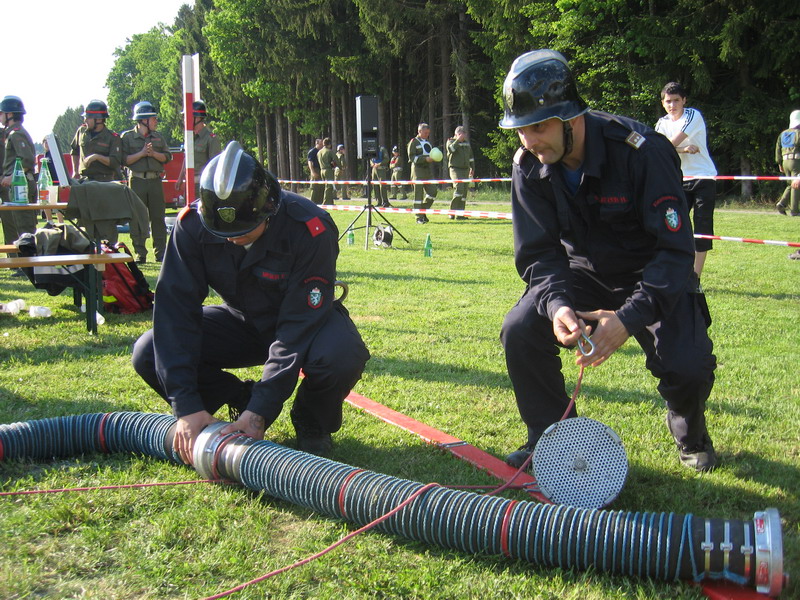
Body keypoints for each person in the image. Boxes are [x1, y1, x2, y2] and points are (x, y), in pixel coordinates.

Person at [498, 50, 717, 473]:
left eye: (538, 126)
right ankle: (552, 438)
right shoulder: (529, 165)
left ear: (571, 118)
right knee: (520, 329)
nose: (529, 140)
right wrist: (557, 305)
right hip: (582, 275)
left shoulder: (641, 151)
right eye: (521, 129)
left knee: (687, 365)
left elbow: (675, 252)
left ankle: (691, 435)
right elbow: (539, 254)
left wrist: (628, 319)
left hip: (651, 274)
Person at [132, 142, 370, 465]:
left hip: (304, 322)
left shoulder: (310, 228)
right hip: (242, 322)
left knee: (342, 355)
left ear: (269, 208)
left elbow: (296, 328)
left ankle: (311, 419)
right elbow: (175, 312)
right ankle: (237, 397)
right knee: (148, 350)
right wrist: (186, 406)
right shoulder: (192, 226)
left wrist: (261, 411)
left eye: (243, 230)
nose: (232, 238)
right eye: (223, 232)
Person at [655, 82, 717, 280]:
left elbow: (667, 144)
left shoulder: (693, 116)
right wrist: (683, 150)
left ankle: (695, 278)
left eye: (676, 100)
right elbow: (659, 148)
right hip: (678, 179)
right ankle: (675, 272)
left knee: (702, 228)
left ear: (684, 100)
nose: (672, 105)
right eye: (668, 101)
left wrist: (676, 148)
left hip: (703, 178)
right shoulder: (661, 123)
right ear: (663, 103)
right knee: (674, 226)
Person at [121, 101, 172, 263]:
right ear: (143, 120)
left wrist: (154, 154)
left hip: (155, 180)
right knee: (137, 218)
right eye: (153, 118)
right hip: (137, 181)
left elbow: (167, 157)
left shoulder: (158, 137)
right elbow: (123, 160)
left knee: (158, 218)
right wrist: (142, 153)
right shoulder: (127, 137)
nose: (156, 121)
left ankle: (161, 253)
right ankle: (140, 253)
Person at [0, 95, 37, 254]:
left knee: (24, 230)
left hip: (20, 187)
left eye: (1, 113)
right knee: (18, 228)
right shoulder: (12, 133)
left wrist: (11, 177)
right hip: (17, 187)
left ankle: (28, 264)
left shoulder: (16, 134)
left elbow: (27, 160)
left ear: (10, 114)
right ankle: (21, 262)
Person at [175, 100, 222, 200]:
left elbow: (215, 166)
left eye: (188, 117)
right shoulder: (190, 137)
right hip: (189, 185)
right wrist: (180, 178)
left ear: (198, 118)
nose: (185, 120)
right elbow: (187, 159)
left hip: (202, 185)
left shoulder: (211, 139)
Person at [70, 100, 123, 182]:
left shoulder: (112, 137)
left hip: (104, 181)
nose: (85, 120)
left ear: (99, 119)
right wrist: (75, 171)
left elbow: (115, 162)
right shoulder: (81, 131)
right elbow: (74, 151)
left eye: (88, 117)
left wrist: (97, 157)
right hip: (83, 180)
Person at [407, 123, 438, 224]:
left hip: (427, 170)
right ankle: (418, 217)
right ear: (419, 131)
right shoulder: (414, 142)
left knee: (433, 191)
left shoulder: (428, 142)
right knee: (418, 195)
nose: (427, 135)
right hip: (417, 170)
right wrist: (424, 159)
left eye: (428, 133)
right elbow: (412, 157)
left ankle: (423, 210)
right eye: (425, 133)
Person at [775, 109, 800, 218]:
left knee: (790, 184)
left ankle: (782, 204)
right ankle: (795, 211)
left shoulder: (783, 134)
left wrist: (779, 163)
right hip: (796, 161)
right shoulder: (799, 133)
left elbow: (778, 149)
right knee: (796, 185)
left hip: (785, 162)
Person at [446, 126, 475, 219]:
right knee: (459, 189)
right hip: (455, 169)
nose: (464, 136)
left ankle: (460, 214)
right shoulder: (451, 141)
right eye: (462, 134)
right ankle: (452, 212)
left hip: (465, 169)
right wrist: (457, 140)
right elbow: (451, 150)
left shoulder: (466, 143)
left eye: (465, 134)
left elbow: (470, 156)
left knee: (464, 192)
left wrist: (472, 168)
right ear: (457, 134)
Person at [317, 137, 337, 205]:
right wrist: (339, 167)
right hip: (328, 170)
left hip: (321, 170)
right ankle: (326, 202)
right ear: (329, 144)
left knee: (325, 186)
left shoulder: (319, 152)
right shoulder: (329, 151)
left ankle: (330, 201)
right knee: (329, 187)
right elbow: (336, 160)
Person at [307, 138, 324, 205]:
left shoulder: (322, 152)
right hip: (315, 169)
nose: (322, 145)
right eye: (321, 144)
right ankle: (312, 203)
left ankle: (320, 203)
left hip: (321, 170)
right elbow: (310, 162)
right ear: (317, 144)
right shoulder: (312, 151)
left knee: (321, 187)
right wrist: (312, 171)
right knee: (315, 187)